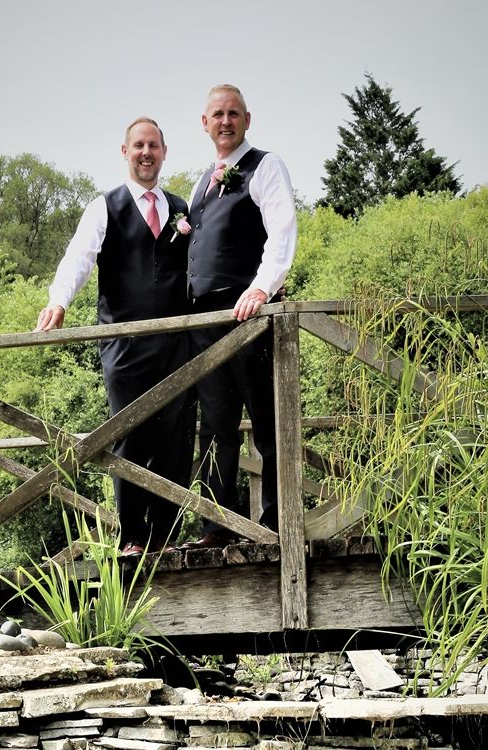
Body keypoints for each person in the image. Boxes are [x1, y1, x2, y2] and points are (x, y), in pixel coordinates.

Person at [36, 117, 195, 557]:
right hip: (124, 345)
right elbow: (78, 259)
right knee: (129, 436)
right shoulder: (104, 207)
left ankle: (165, 537)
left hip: (177, 344)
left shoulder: (183, 208)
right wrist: (58, 301)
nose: (146, 153)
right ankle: (131, 537)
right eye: (138, 146)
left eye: (154, 146)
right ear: (125, 152)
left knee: (176, 439)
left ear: (164, 152)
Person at [180, 84, 298, 549]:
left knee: (267, 420)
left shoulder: (266, 166)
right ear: (204, 124)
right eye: (217, 114)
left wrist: (261, 288)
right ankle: (217, 527)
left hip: (249, 314)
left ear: (247, 120)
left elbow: (282, 230)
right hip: (202, 324)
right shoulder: (202, 180)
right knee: (214, 426)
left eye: (233, 114)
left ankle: (273, 524)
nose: (225, 121)